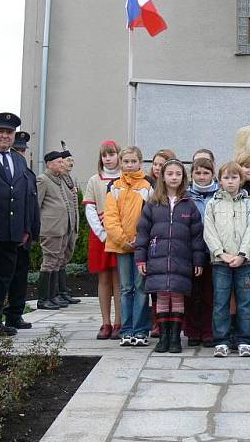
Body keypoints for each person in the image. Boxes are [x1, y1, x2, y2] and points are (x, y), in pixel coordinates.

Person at [136, 158, 205, 353]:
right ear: (162, 177)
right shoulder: (152, 204)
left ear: (183, 177)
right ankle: (163, 337)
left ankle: (175, 337)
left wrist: (198, 259)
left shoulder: (189, 204)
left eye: (178, 174)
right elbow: (142, 233)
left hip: (181, 260)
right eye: (170, 174)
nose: (174, 177)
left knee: (177, 297)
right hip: (157, 259)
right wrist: (141, 258)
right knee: (161, 298)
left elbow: (197, 235)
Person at [0, 113, 36, 336]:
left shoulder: (18, 160)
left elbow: (24, 196)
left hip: (12, 232)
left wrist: (25, 228)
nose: (5, 136)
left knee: (3, 278)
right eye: (0, 131)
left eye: (9, 133)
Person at [204, 162, 250, 358]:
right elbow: (209, 231)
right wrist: (221, 253)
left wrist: (242, 254)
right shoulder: (213, 203)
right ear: (220, 180)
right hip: (220, 262)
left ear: (241, 180)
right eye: (226, 177)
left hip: (245, 261)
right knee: (221, 302)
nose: (230, 181)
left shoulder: (248, 203)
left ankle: (245, 340)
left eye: (234, 177)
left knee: (245, 301)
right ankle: (221, 340)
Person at [104, 146, 152, 347]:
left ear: (140, 163)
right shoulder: (114, 187)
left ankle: (140, 330)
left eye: (133, 161)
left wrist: (140, 240)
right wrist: (123, 239)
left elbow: (151, 216)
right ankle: (126, 329)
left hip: (142, 247)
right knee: (125, 289)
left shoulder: (148, 186)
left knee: (141, 287)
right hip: (121, 246)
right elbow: (110, 217)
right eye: (126, 162)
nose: (130, 165)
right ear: (121, 163)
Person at [84, 140, 122, 340]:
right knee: (104, 279)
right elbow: (89, 208)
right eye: (104, 155)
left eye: (112, 154)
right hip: (100, 236)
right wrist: (101, 233)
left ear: (119, 155)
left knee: (120, 279)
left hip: (120, 236)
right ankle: (105, 322)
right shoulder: (94, 180)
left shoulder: (125, 178)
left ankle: (119, 322)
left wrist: (117, 233)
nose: (108, 158)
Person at [5, 131, 40, 330]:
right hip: (9, 232)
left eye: (22, 150)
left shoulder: (27, 172)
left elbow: (32, 204)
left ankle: (15, 314)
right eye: (16, 149)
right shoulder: (10, 171)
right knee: (4, 277)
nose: (20, 153)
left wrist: (32, 230)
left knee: (20, 278)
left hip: (24, 232)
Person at [185, 157, 218, 347]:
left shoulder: (219, 194)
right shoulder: (186, 196)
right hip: (191, 252)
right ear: (192, 175)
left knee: (210, 294)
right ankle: (192, 330)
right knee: (192, 293)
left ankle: (208, 330)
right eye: (198, 173)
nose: (202, 176)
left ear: (213, 174)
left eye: (206, 173)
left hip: (213, 252)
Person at [36, 150, 74, 310]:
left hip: (62, 228)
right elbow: (36, 205)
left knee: (57, 261)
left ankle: (53, 296)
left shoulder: (59, 180)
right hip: (50, 229)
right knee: (49, 262)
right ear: (49, 164)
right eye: (59, 162)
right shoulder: (43, 180)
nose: (62, 164)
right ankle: (44, 298)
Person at [145, 148, 176, 336]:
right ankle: (156, 323)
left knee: (173, 289)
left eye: (161, 165)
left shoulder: (179, 192)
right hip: (155, 247)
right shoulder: (148, 187)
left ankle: (172, 326)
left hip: (173, 249)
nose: (157, 167)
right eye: (155, 164)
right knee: (156, 289)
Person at [56, 149, 81, 305]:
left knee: (64, 260)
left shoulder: (70, 179)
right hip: (62, 226)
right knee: (56, 260)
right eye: (68, 160)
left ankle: (62, 291)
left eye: (72, 160)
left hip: (72, 226)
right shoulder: (58, 180)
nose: (71, 163)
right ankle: (56, 293)